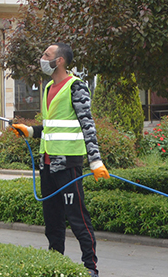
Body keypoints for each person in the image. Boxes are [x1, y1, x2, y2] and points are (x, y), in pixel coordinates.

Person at [9, 42, 109, 277]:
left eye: (47, 55)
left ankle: (90, 268)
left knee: (77, 219)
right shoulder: (47, 88)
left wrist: (95, 161)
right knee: (52, 222)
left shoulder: (76, 87)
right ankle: (56, 266)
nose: (42, 58)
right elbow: (53, 127)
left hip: (68, 164)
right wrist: (30, 131)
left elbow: (87, 125)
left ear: (60, 61)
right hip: (47, 165)